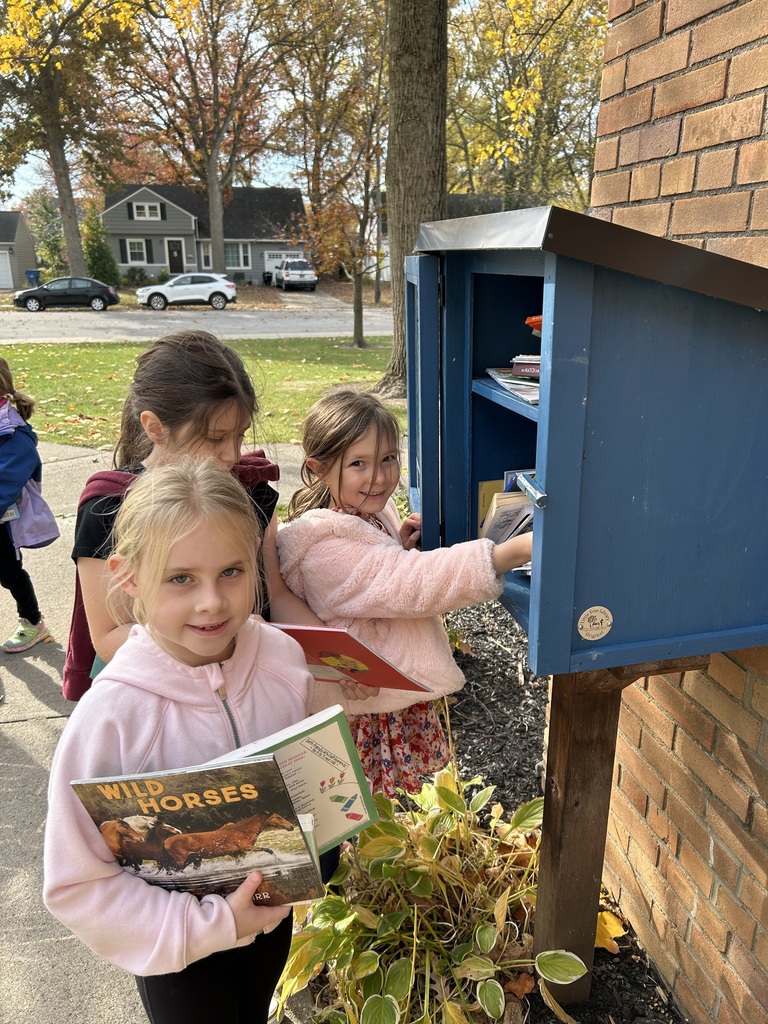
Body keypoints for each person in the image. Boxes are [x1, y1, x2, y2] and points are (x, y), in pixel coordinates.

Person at [45, 458, 316, 1024]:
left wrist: (324, 841)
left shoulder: (284, 661)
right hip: (178, 952)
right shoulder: (111, 718)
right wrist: (211, 927)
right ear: (128, 577)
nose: (212, 602)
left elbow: (311, 775)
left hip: (273, 915)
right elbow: (77, 883)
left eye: (232, 572)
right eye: (181, 578)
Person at [277, 389, 534, 799]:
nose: (378, 477)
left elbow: (373, 576)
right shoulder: (321, 548)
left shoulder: (367, 515)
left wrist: (396, 543)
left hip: (381, 695)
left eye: (388, 459)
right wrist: (513, 552)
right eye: (358, 463)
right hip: (364, 709)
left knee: (387, 809)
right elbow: (407, 582)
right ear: (318, 468)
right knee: (362, 811)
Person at [64, 329, 321, 701]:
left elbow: (275, 595)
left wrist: (337, 660)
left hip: (253, 687)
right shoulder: (109, 507)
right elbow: (109, 637)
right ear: (155, 428)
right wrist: (231, 642)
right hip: (157, 696)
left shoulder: (250, 494)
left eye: (240, 435)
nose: (232, 454)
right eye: (216, 438)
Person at [0, 358, 56, 653]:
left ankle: (33, 622)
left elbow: (7, 481)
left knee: (9, 573)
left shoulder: (14, 435)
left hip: (3, 523)